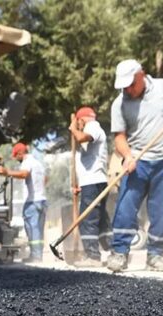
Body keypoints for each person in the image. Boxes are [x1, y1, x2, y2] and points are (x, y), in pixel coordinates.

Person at [107, 59, 163, 273]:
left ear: (141, 74)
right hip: (137, 161)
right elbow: (119, 138)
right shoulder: (118, 104)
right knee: (125, 207)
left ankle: (155, 255)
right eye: (124, 86)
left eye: (131, 84)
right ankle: (119, 253)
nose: (128, 89)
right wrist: (127, 156)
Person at [68, 106, 111, 267]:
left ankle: (93, 256)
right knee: (100, 220)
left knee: (88, 219)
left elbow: (81, 137)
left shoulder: (93, 127)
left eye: (78, 122)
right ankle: (112, 251)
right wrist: (80, 185)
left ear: (81, 119)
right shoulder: (92, 128)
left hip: (93, 182)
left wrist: (73, 128)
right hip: (91, 182)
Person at [0, 143, 47, 263]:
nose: (17, 159)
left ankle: (35, 256)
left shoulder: (27, 162)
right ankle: (38, 255)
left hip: (32, 201)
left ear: (20, 153)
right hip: (42, 200)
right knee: (39, 229)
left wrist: (7, 172)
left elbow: (24, 174)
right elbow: (45, 179)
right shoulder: (38, 163)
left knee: (32, 228)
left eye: (16, 156)